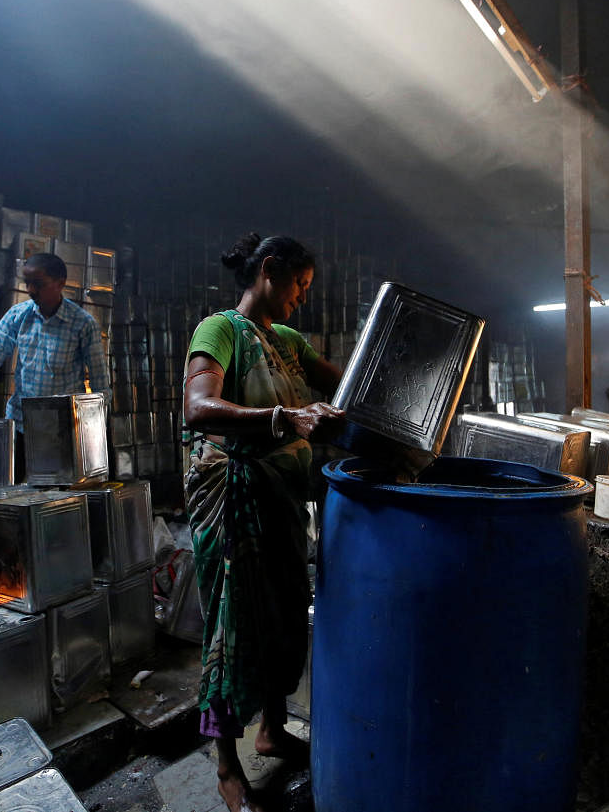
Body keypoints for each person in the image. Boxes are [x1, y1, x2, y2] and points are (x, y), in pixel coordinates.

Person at [183, 232, 345, 812]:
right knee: (234, 627)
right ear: (269, 272)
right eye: (299, 286)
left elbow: (343, 389)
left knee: (282, 616)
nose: (302, 298)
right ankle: (227, 769)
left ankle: (273, 730)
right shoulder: (219, 330)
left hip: (280, 500)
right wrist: (284, 417)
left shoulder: (289, 341)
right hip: (234, 500)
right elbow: (199, 408)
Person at [0, 252, 110, 476]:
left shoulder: (82, 323)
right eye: (27, 283)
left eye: (38, 284)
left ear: (60, 284)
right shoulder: (18, 315)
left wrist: (94, 430)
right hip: (21, 424)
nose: (30, 290)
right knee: (18, 488)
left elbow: (99, 381)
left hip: (62, 430)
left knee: (56, 494)